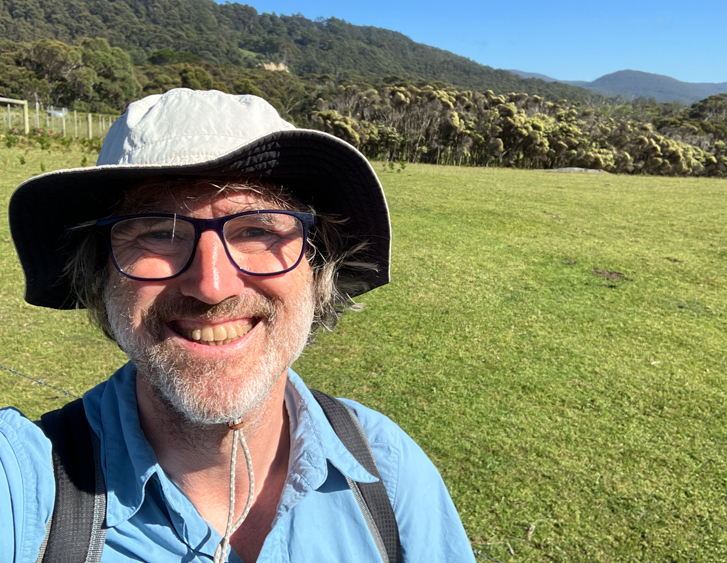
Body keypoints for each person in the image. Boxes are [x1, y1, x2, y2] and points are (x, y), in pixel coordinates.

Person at [0, 89, 475, 562]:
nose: (211, 286)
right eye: (158, 234)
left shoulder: (387, 471)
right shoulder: (25, 487)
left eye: (257, 229)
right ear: (99, 273)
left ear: (317, 266)